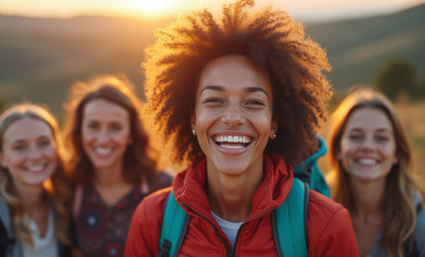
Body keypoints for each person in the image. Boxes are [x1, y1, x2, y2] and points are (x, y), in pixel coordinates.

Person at [125, 0, 359, 256]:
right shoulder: (153, 221)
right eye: (214, 100)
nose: (233, 117)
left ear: (274, 123)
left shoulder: (326, 226)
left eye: (253, 102)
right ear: (193, 119)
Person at [63, 74, 172, 257]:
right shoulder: (71, 187)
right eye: (93, 126)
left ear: (131, 134)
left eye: (116, 127)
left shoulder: (164, 188)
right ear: (80, 131)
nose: (103, 139)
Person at [327, 88, 425, 257]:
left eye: (382, 137)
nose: (368, 146)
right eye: (356, 136)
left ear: (396, 152)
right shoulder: (316, 209)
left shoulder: (416, 221)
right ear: (338, 149)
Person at [0, 103, 72, 257]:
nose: (35, 156)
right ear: (0, 158)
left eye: (44, 142)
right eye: (19, 147)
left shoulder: (62, 203)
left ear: (56, 147)